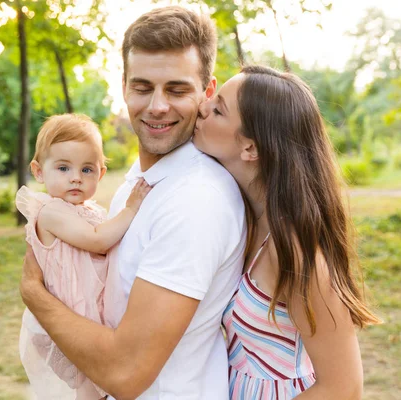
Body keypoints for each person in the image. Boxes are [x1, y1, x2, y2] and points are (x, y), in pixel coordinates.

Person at [20, 6, 247, 400]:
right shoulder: (138, 186)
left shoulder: (196, 200)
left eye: (176, 89)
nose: (157, 106)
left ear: (207, 93)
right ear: (124, 86)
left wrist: (33, 293)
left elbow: (125, 373)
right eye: (143, 87)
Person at [193, 65, 381, 399]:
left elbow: (344, 388)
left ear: (250, 148)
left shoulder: (290, 248)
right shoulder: (246, 220)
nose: (202, 107)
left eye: (218, 109)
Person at [15, 113, 151, 399]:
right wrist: (131, 209)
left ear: (100, 173)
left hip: (90, 313)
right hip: (73, 315)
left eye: (87, 170)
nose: (76, 177)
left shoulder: (90, 210)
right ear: (39, 171)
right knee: (88, 389)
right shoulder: (51, 212)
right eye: (63, 168)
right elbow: (98, 241)